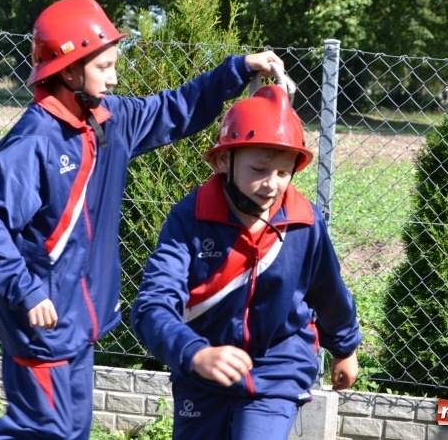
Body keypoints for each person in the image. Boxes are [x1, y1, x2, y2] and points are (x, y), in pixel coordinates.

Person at [0, 0, 285, 440]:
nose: (114, 77)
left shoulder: (111, 120)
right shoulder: (35, 140)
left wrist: (238, 69)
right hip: (43, 322)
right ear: (69, 69)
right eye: (104, 67)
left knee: (67, 432)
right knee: (43, 431)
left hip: (76, 322)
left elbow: (177, 108)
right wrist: (27, 290)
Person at [130, 84, 362, 440]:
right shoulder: (189, 219)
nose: (271, 185)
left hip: (277, 371)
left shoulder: (305, 222)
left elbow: (328, 291)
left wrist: (344, 348)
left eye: (284, 173)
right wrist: (194, 353)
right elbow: (152, 305)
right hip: (203, 372)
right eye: (258, 169)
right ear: (224, 160)